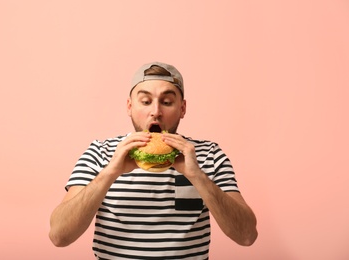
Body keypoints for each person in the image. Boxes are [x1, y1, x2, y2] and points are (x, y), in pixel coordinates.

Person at [49, 62, 258, 259]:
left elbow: (247, 236)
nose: (156, 112)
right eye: (146, 101)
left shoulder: (209, 154)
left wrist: (198, 177)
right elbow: (59, 236)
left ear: (182, 108)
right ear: (130, 106)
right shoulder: (100, 152)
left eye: (167, 102)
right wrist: (109, 173)